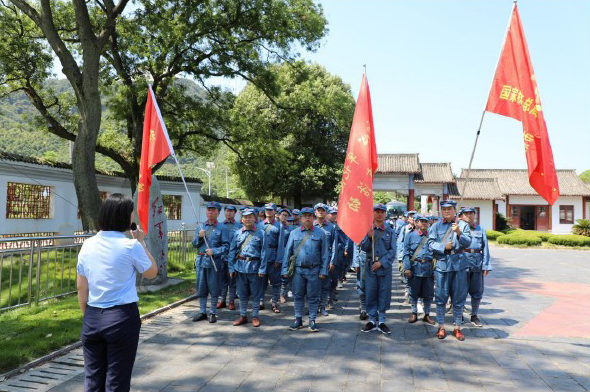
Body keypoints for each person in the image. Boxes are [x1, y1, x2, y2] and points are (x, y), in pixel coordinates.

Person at [76, 193, 158, 392]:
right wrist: (141, 242)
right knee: (117, 380)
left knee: (93, 379)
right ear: (124, 217)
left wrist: (88, 314)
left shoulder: (87, 244)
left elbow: (81, 287)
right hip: (122, 317)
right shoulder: (130, 246)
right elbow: (152, 273)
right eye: (131, 213)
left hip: (93, 316)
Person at [427, 200, 472, 341]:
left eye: (449, 209)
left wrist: (459, 233)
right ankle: (441, 326)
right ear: (441, 211)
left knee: (458, 298)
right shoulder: (435, 226)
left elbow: (468, 242)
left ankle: (457, 327)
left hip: (459, 264)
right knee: (441, 297)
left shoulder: (463, 225)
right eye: (444, 209)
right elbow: (430, 243)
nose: (446, 211)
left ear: (454, 210)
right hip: (442, 265)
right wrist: (443, 247)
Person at [282, 207, 330, 332]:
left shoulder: (321, 233)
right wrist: (284, 270)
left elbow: (325, 254)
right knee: (298, 295)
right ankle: (298, 319)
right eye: (304, 216)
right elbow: (287, 252)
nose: (307, 218)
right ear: (301, 218)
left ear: (313, 217)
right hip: (298, 270)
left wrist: (324, 270)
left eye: (309, 215)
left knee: (313, 296)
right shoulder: (294, 233)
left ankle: (312, 320)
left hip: (314, 270)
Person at [359, 204, 396, 334]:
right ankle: (371, 320)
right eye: (377, 212)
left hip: (384, 267)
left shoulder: (390, 230)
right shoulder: (368, 229)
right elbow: (363, 247)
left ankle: (381, 321)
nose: (379, 214)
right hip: (370, 266)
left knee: (384, 293)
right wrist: (369, 237)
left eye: (382, 212)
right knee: (370, 292)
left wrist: (382, 262)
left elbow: (393, 250)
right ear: (373, 213)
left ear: (385, 214)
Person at [228, 208, 266, 327]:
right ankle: (243, 316)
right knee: (242, 294)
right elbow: (232, 251)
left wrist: (262, 268)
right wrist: (231, 268)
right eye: (245, 217)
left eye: (250, 217)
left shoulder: (261, 233)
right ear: (242, 219)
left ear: (254, 218)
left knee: (255, 294)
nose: (248, 219)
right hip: (240, 267)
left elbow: (264, 252)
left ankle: (255, 316)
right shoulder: (237, 233)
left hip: (255, 268)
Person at [192, 201, 230, 323]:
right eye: (208, 209)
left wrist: (215, 251)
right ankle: (202, 311)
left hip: (214, 261)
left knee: (214, 288)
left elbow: (226, 246)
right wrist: (199, 237)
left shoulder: (222, 228)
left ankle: (213, 312)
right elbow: (194, 244)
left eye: (213, 210)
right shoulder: (200, 227)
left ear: (218, 213)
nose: (210, 212)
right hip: (201, 261)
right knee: (201, 287)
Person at [459, 207, 491, 327]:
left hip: (477, 263)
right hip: (462, 262)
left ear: (475, 215)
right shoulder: (458, 228)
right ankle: (459, 314)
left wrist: (486, 265)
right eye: (466, 214)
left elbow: (485, 248)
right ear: (461, 216)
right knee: (460, 290)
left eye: (471, 213)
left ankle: (474, 315)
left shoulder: (480, 229)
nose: (468, 216)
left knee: (477, 291)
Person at [403, 215, 436, 325]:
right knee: (413, 293)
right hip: (415, 267)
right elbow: (406, 253)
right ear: (416, 223)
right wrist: (407, 268)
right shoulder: (410, 235)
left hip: (428, 268)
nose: (424, 223)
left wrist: (436, 270)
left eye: (426, 222)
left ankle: (427, 314)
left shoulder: (432, 236)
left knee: (428, 293)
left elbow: (436, 254)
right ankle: (414, 313)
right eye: (421, 221)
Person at [259, 202, 284, 313]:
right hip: (261, 257)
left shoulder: (279, 225)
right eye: (267, 209)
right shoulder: (259, 225)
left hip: (273, 257)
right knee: (261, 281)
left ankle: (274, 302)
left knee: (276, 282)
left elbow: (281, 244)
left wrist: (279, 259)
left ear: (275, 212)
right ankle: (260, 301)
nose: (268, 211)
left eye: (271, 210)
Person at [314, 203, 337, 315]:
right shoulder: (311, 225)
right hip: (313, 260)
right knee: (312, 285)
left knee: (325, 285)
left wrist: (332, 261)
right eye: (318, 210)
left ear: (326, 213)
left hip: (326, 260)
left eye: (323, 210)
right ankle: (313, 307)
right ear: (315, 212)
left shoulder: (331, 227)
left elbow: (334, 246)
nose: (320, 212)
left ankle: (322, 307)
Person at [218, 205, 242, 310]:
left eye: (231, 211)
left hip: (233, 258)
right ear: (224, 212)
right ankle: (222, 300)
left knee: (232, 280)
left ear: (235, 213)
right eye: (227, 211)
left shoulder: (239, 226)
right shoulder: (219, 226)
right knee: (222, 281)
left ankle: (231, 301)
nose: (229, 213)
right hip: (221, 257)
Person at [396, 210, 416, 303]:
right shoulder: (404, 229)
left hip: (416, 257)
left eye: (415, 217)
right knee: (406, 276)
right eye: (411, 217)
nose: (413, 218)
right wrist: (400, 258)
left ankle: (415, 296)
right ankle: (408, 293)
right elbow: (400, 243)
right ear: (408, 219)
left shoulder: (420, 229)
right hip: (406, 256)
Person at [351, 243, 367, 320]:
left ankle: (374, 308)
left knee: (376, 286)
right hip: (363, 260)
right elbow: (356, 247)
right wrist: (356, 263)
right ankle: (363, 308)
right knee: (362, 285)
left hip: (377, 261)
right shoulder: (361, 231)